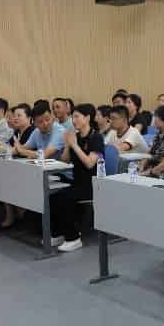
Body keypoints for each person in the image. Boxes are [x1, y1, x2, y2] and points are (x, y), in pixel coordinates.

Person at [51, 104, 105, 252]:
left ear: (87, 118)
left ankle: (73, 238)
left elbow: (89, 163)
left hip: (92, 184)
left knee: (65, 197)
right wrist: (68, 145)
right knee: (53, 196)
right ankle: (58, 233)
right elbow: (65, 161)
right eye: (73, 117)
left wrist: (74, 145)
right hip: (77, 181)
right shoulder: (76, 137)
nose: (73, 120)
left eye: (77, 117)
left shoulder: (96, 138)